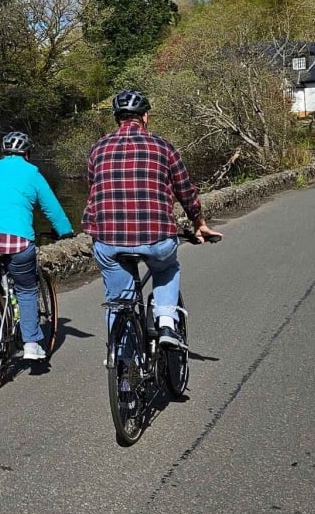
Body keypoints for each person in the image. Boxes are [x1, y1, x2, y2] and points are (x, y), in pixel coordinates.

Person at [83, 90, 222, 349]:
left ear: (117, 118)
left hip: (108, 240)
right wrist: (198, 223)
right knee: (166, 268)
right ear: (145, 117)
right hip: (156, 237)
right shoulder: (163, 147)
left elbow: (93, 189)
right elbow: (186, 191)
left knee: (120, 299)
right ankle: (167, 322)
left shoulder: (97, 149)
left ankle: (124, 362)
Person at [0, 130, 74, 361]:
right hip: (16, 240)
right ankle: (31, 343)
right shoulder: (32, 173)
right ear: (27, 153)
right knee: (26, 289)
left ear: (5, 152)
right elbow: (51, 208)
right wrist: (65, 231)